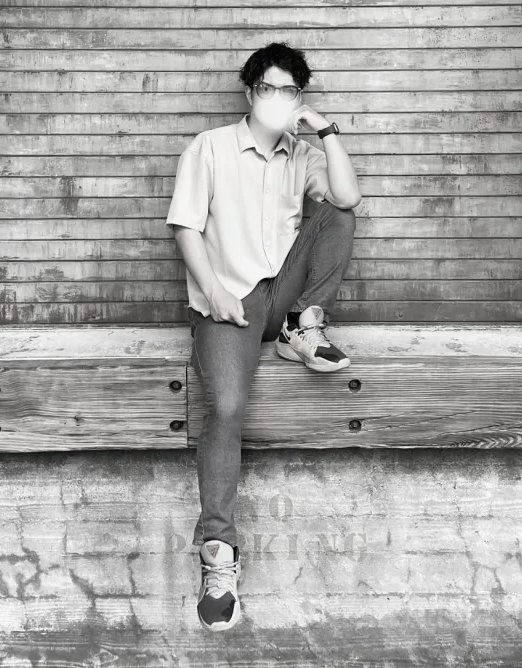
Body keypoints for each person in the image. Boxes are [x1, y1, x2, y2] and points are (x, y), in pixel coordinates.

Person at [165, 41, 361, 631]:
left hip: (283, 292)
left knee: (339, 214)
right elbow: (185, 226)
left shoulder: (303, 154)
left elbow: (346, 198)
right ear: (251, 93)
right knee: (226, 406)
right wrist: (213, 292)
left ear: (299, 98)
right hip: (230, 296)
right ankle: (218, 556)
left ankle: (303, 324)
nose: (278, 99)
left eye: (289, 91)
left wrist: (324, 129)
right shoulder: (210, 147)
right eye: (268, 88)